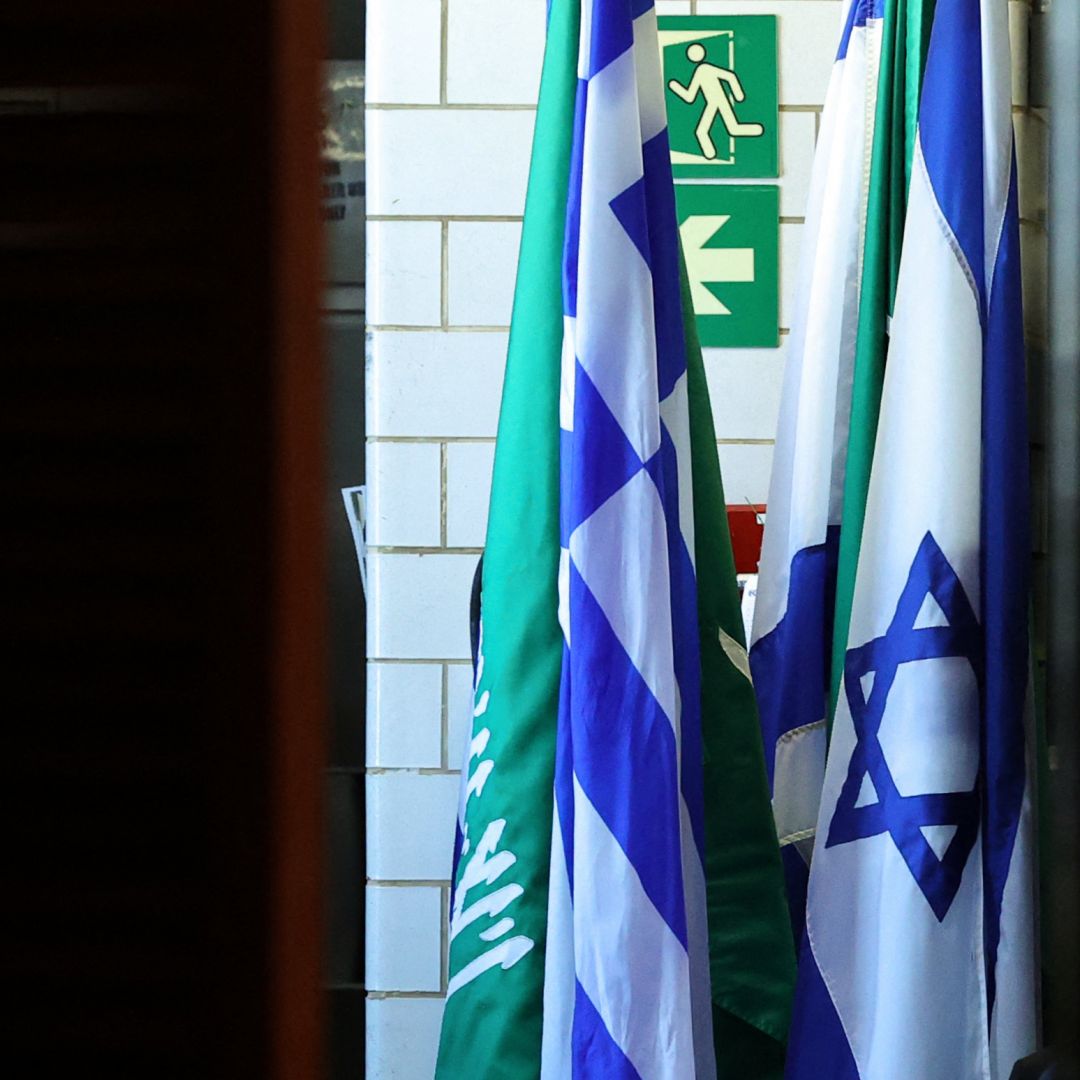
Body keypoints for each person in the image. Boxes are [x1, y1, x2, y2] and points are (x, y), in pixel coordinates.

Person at [667, 42, 764, 160]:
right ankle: (757, 130)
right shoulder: (701, 70)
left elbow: (730, 76)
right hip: (715, 102)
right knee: (729, 128)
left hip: (717, 101)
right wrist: (675, 87)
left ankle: (711, 154)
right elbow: (690, 97)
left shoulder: (703, 69)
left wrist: (739, 95)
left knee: (704, 131)